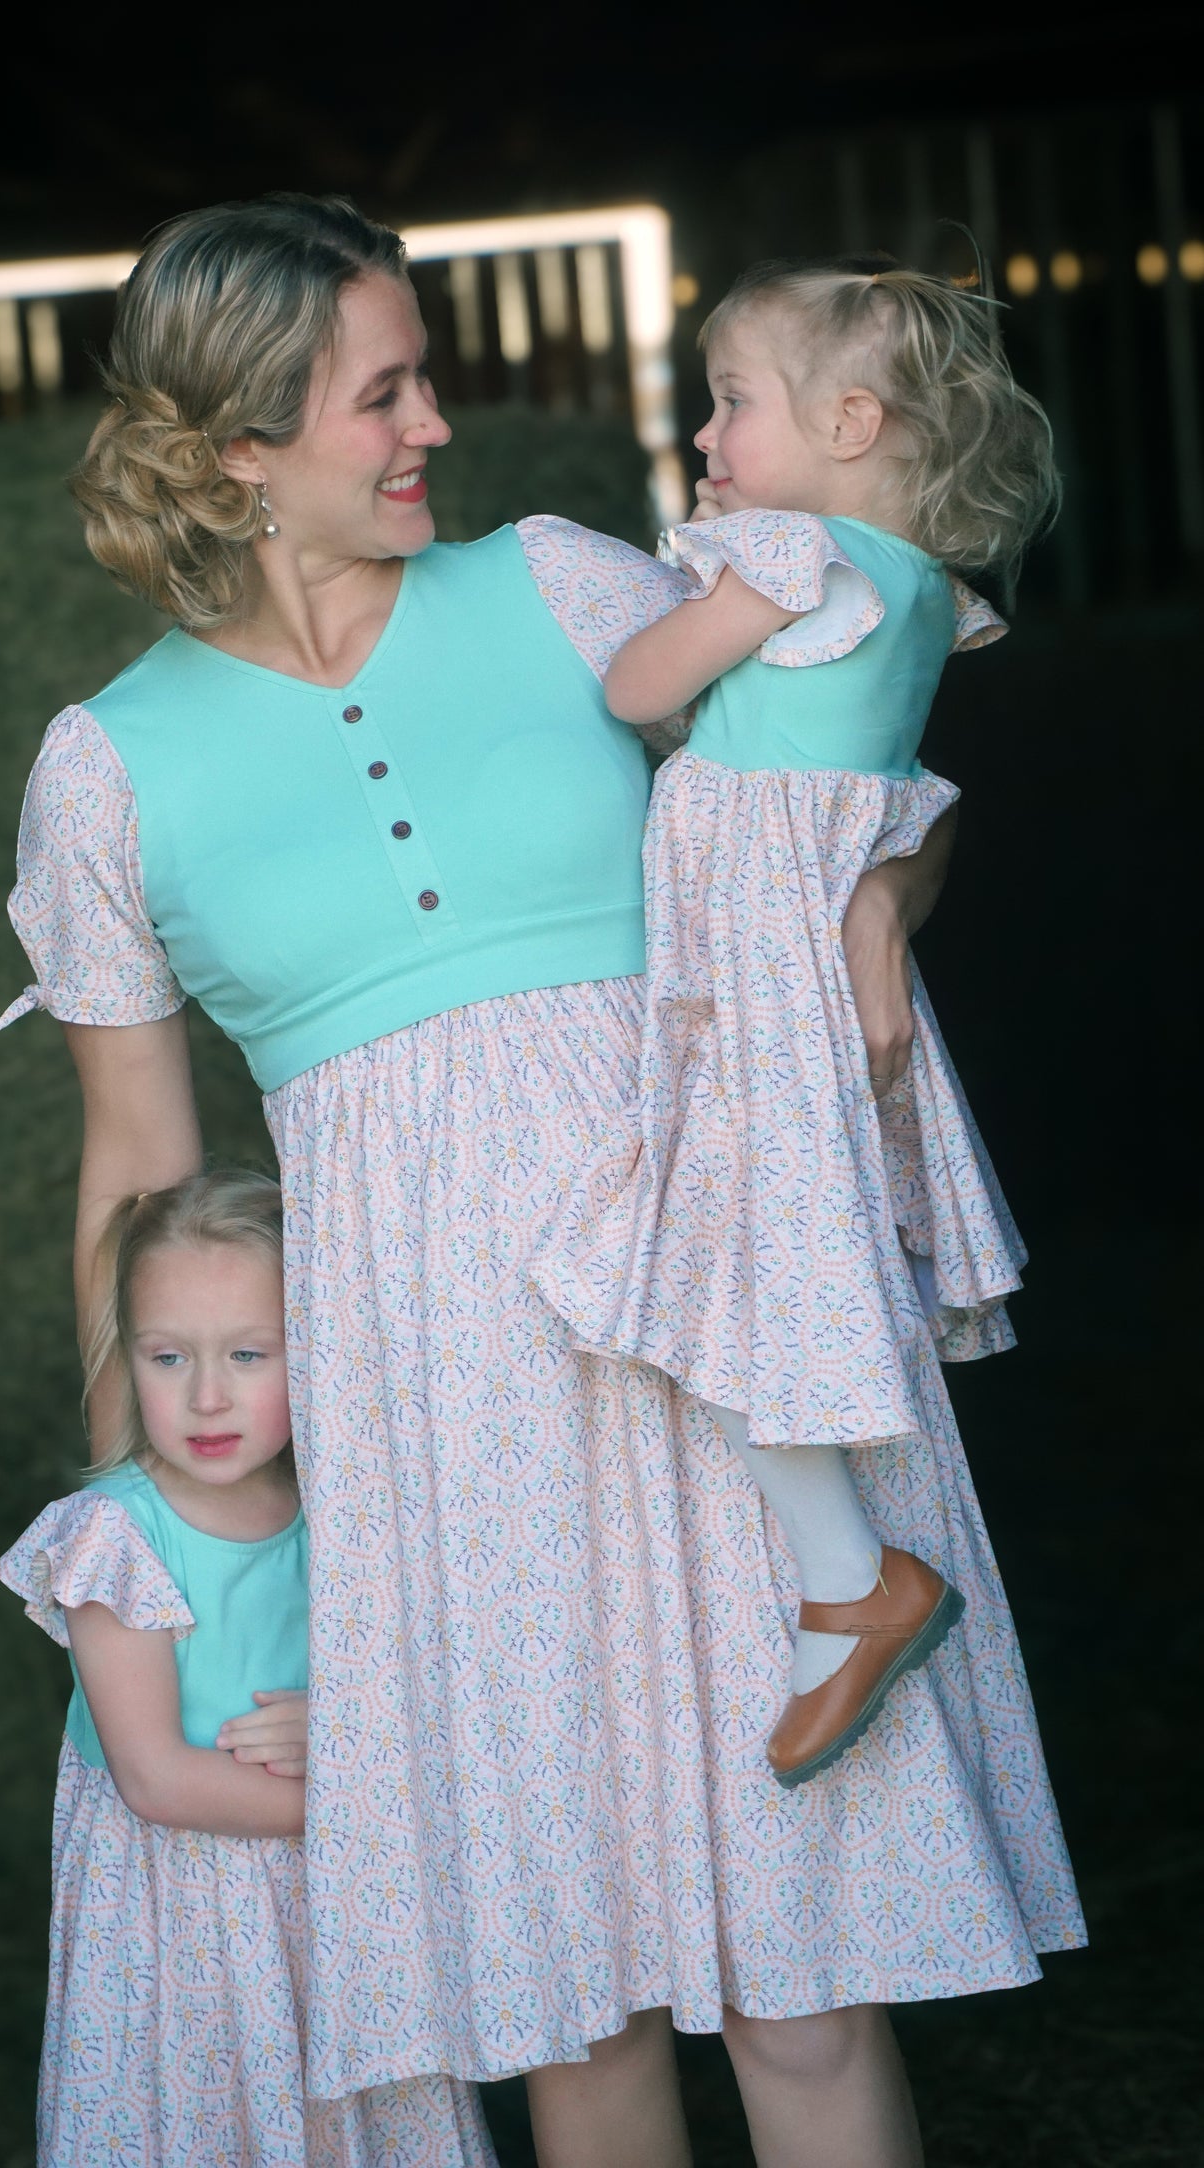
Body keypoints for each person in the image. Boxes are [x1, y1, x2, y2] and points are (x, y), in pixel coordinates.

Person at [0, 196, 1077, 2168]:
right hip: (434, 1428)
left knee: (798, 1985)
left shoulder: (575, 585)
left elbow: (841, 789)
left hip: (705, 1338)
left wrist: (871, 920)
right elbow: (138, 1173)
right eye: (379, 392)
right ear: (239, 444)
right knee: (564, 2012)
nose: (431, 425)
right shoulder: (108, 769)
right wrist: (146, 1543)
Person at [533, 253, 1062, 1789]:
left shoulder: (785, 556)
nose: (704, 438)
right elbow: (897, 804)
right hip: (791, 972)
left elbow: (640, 687)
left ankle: (857, 1583)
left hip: (754, 980)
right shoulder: (922, 592)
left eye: (729, 403)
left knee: (735, 1275)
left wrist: (679, 607)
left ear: (847, 420)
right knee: (746, 1269)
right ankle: (847, 1580)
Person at [0, 1167, 497, 2168]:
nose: (207, 1393)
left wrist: (352, 1728)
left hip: (343, 1913)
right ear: (125, 1355)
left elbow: (425, 1695)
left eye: (248, 1353)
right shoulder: (114, 1538)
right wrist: (380, 1786)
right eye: (168, 1355)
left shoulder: (354, 1524)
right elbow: (156, 1777)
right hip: (180, 1927)